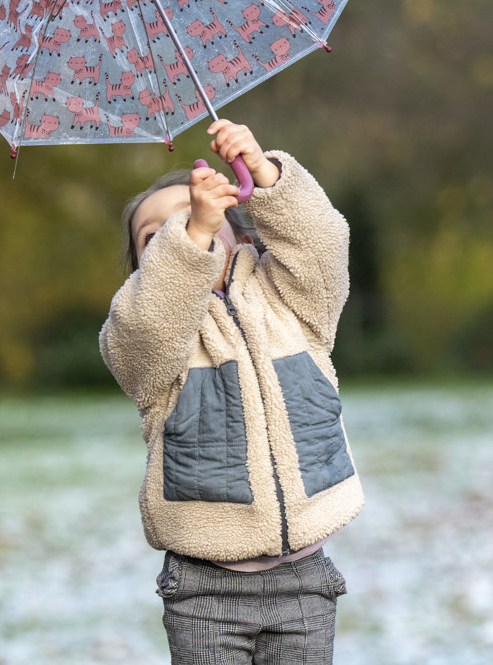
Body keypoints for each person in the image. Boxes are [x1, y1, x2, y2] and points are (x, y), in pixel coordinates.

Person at [99, 119, 362, 664]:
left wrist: (263, 173)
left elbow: (323, 245)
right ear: (143, 268)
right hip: (204, 588)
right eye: (158, 235)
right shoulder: (151, 335)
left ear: (241, 234)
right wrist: (191, 235)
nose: (186, 227)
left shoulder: (292, 301)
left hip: (305, 579)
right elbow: (145, 328)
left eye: (202, 213)